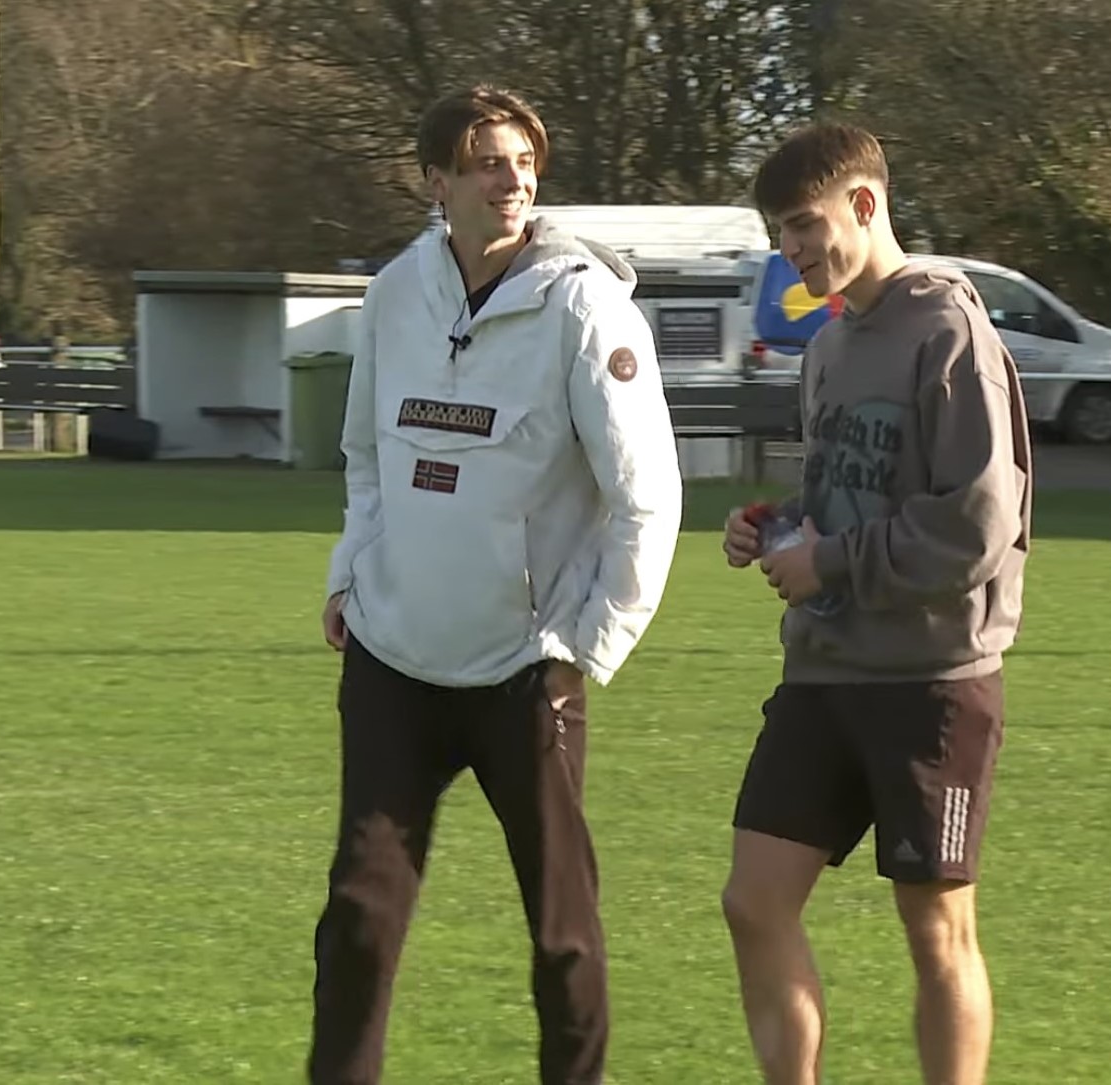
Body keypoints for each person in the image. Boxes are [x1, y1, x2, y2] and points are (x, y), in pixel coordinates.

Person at [308, 84, 683, 1085]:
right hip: (393, 658)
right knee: (357, 915)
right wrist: (352, 573)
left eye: (522, 160)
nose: (510, 178)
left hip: (528, 675)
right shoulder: (394, 293)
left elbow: (647, 498)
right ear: (437, 181)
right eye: (485, 161)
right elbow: (362, 456)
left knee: (561, 931)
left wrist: (583, 648)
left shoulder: (583, 305)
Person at [720, 122, 1033, 1085]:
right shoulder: (827, 345)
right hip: (823, 672)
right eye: (779, 234)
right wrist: (776, 525)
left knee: (935, 929)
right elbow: (847, 495)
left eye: (805, 224)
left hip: (930, 684)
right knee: (753, 902)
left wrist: (836, 561)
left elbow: (978, 525)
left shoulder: (948, 331)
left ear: (864, 203)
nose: (794, 250)